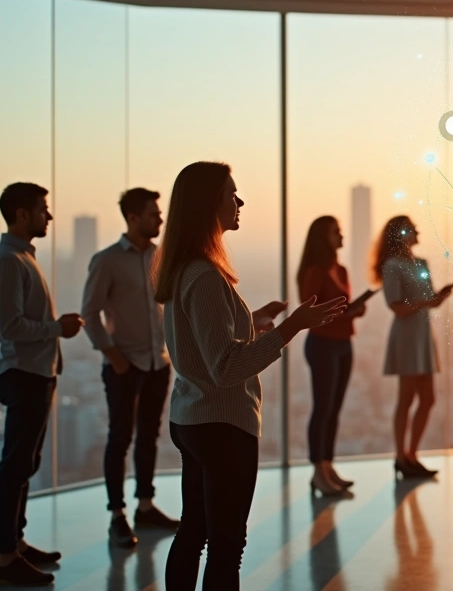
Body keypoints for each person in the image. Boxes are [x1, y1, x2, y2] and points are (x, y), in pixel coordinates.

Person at [154, 162, 345, 590]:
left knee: (193, 532)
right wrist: (290, 328)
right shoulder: (204, 275)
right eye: (231, 195)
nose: (239, 202)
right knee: (225, 544)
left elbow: (203, 339)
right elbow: (225, 367)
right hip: (221, 424)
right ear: (209, 205)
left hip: (192, 418)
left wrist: (253, 322)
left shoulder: (186, 268)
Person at [0, 182, 84, 586]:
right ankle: (5, 557)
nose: (49, 215)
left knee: (25, 463)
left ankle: (16, 544)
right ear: (21, 214)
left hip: (35, 371)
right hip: (24, 372)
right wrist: (56, 328)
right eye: (43, 208)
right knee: (15, 465)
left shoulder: (20, 257)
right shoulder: (9, 260)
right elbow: (8, 328)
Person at [81, 188, 180, 548]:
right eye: (154, 214)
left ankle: (145, 506)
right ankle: (117, 515)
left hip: (158, 362)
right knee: (120, 438)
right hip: (125, 365)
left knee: (150, 437)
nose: (160, 219)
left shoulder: (161, 257)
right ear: (133, 218)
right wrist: (113, 356)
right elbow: (89, 314)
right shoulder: (106, 261)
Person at [374, 215, 453, 479]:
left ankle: (411, 454)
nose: (417, 230)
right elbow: (396, 306)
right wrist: (424, 302)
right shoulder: (392, 266)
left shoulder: (421, 263)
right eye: (411, 228)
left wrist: (439, 297)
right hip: (407, 335)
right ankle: (402, 456)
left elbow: (427, 302)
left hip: (421, 332)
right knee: (407, 398)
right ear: (401, 235)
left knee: (428, 399)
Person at [297, 215, 367, 496]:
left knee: (333, 409)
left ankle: (327, 465)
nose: (341, 236)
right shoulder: (315, 270)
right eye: (335, 232)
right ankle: (318, 472)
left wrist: (353, 311)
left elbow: (342, 306)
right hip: (323, 344)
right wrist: (344, 313)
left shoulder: (341, 269)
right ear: (322, 238)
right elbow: (309, 315)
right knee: (322, 408)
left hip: (343, 343)